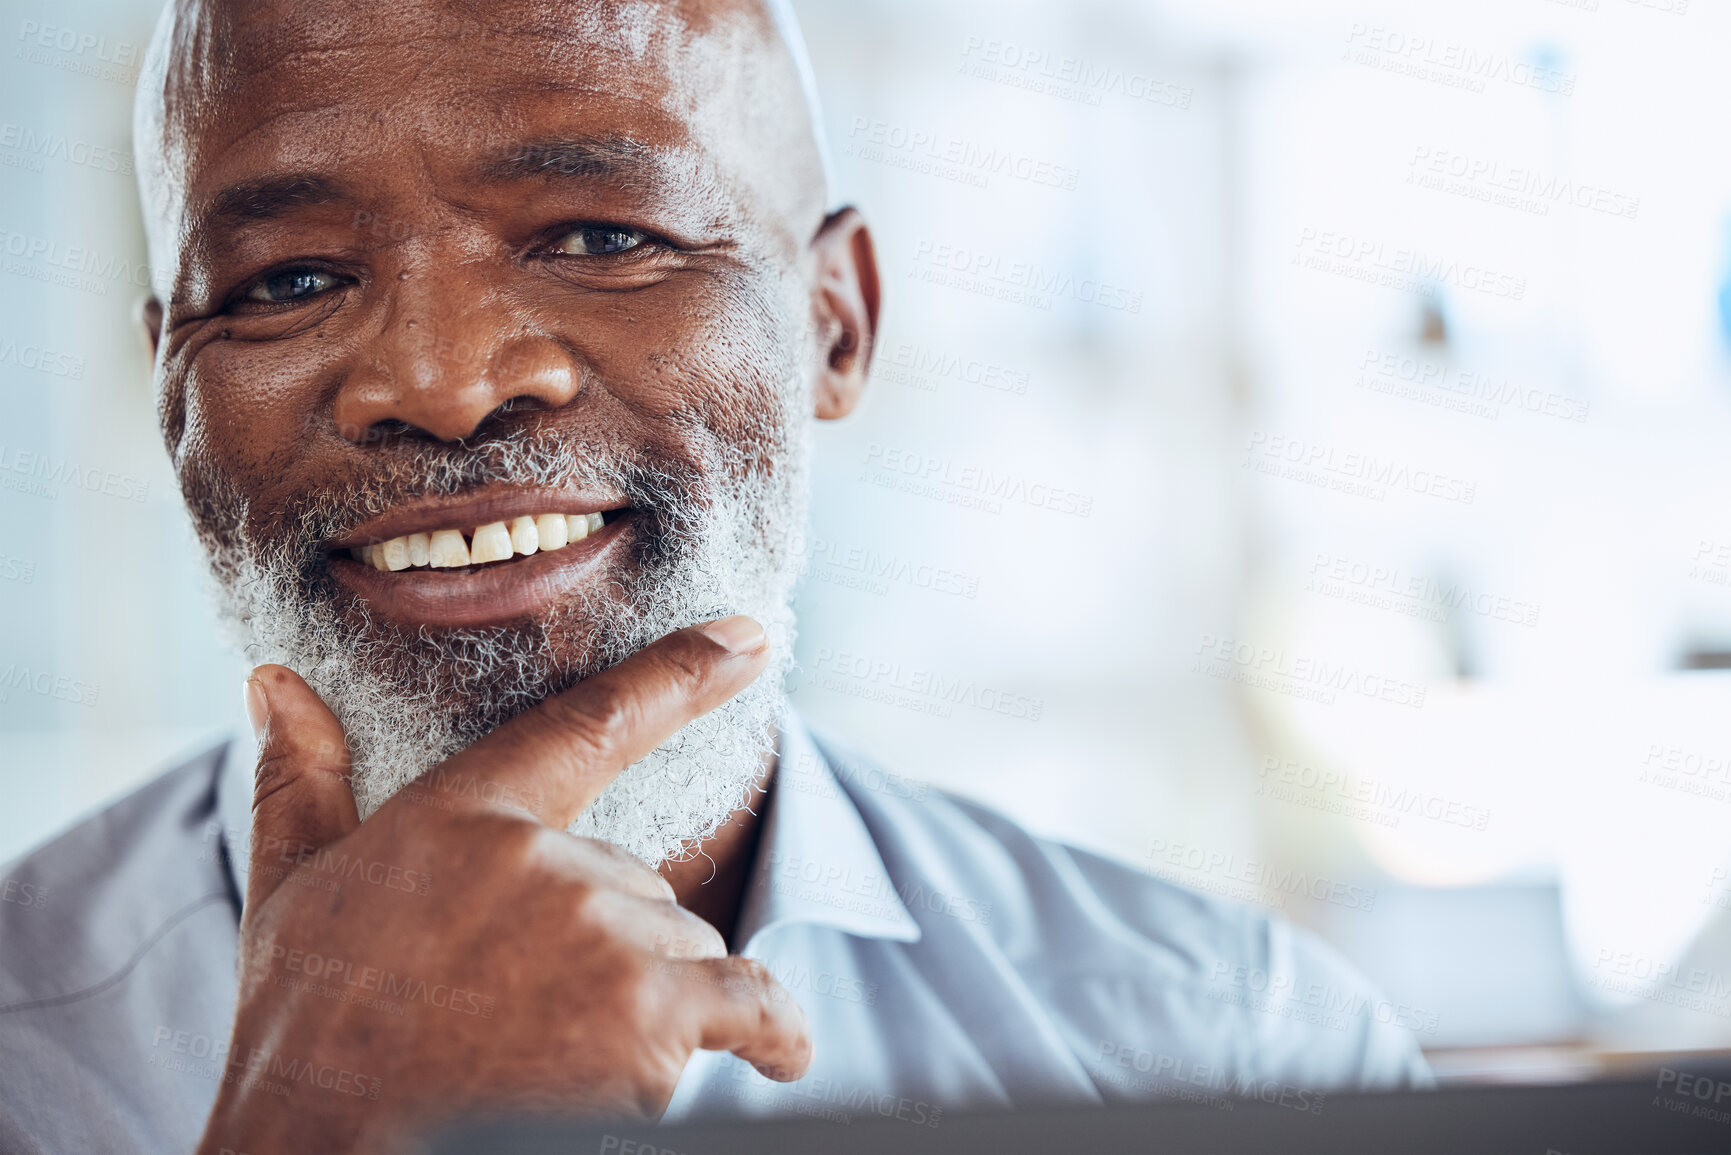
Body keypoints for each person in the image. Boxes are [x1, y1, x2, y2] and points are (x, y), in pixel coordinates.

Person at [0, 0, 1428, 1150]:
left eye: (604, 237)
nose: (438, 384)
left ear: (834, 327)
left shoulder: (1243, 1056)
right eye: (286, 282)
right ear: (168, 393)